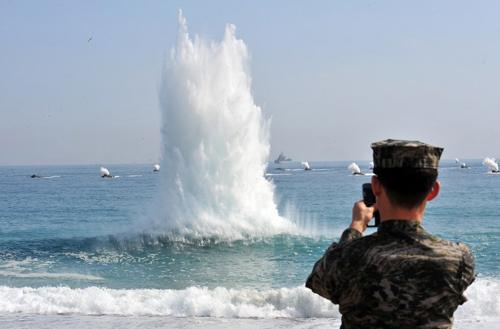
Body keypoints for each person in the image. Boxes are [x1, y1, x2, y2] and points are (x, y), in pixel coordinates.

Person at [306, 139, 475, 328]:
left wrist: (355, 227)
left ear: (376, 186)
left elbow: (319, 284)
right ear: (433, 190)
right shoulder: (458, 259)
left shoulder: (344, 257)